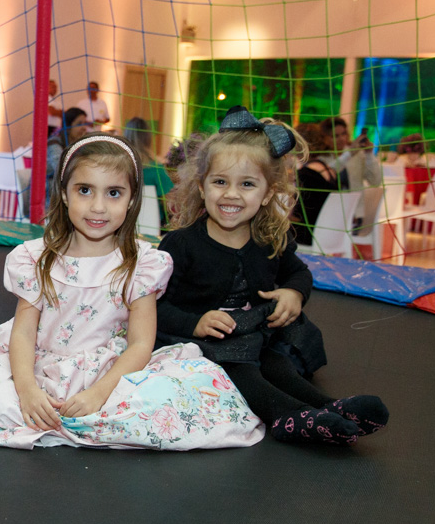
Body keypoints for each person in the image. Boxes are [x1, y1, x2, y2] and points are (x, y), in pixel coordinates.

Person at [0, 134, 264, 450]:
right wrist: (27, 390)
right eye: (84, 190)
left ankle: (84, 416)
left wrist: (99, 393)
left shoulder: (142, 264)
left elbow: (140, 344)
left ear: (131, 199)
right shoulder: (36, 258)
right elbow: (23, 333)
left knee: (178, 396)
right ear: (64, 194)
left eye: (113, 193)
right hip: (38, 363)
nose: (98, 207)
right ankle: (59, 416)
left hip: (107, 373)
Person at [157, 106, 389, 445]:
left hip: (251, 333)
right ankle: (288, 416)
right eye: (220, 182)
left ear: (267, 193)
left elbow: (298, 273)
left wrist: (294, 293)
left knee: (275, 362)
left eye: (247, 184)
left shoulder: (268, 238)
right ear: (202, 187)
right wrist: (195, 323)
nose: (231, 193)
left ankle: (327, 406)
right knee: (242, 369)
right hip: (201, 342)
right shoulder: (181, 244)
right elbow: (154, 307)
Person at [292, 123, 342, 247]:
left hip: (309, 234)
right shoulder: (329, 171)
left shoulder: (307, 174)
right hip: (329, 234)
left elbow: (301, 214)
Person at [123, 116, 174, 226]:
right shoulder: (156, 169)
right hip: (153, 226)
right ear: (148, 138)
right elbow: (168, 202)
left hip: (124, 223)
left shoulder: (119, 167)